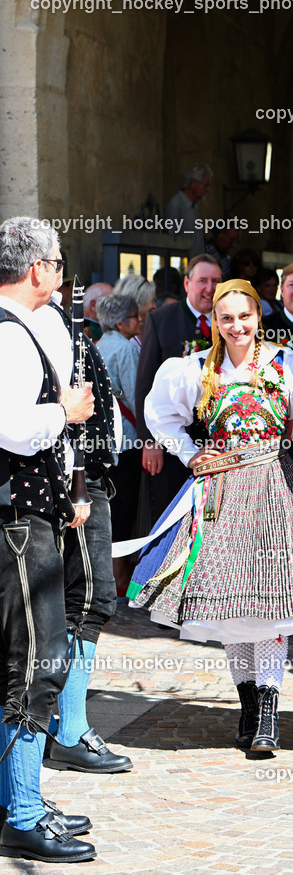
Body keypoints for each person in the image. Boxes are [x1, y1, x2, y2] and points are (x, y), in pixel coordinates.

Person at [127, 280, 293, 752]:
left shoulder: (287, 366)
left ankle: (267, 715)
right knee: (231, 606)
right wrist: (188, 454)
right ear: (215, 323)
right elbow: (160, 415)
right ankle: (248, 707)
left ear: (258, 317)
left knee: (269, 603)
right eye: (227, 319)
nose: (237, 326)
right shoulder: (197, 369)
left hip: (273, 487)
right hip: (220, 492)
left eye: (245, 317)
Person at [0, 217, 97, 861]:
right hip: (17, 523)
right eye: (59, 264)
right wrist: (67, 412)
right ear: (38, 270)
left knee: (27, 661)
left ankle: (18, 799)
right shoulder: (9, 336)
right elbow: (9, 426)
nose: (62, 275)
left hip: (30, 516)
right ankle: (24, 811)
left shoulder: (20, 330)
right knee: (38, 662)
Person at [33, 280, 129, 777]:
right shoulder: (43, 332)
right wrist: (79, 486)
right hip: (71, 481)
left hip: (82, 477)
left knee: (83, 602)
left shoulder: (62, 330)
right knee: (86, 601)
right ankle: (68, 732)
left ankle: (65, 729)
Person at [135, 254, 222, 524]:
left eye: (216, 281)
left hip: (219, 439)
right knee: (170, 513)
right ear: (187, 283)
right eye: (202, 281)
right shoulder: (161, 320)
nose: (209, 288)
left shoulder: (230, 319)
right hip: (173, 442)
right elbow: (145, 382)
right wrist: (149, 440)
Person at [96, 293, 143, 597]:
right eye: (136, 317)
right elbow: (137, 395)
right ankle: (119, 578)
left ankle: (107, 577)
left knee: (110, 508)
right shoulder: (125, 348)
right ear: (122, 322)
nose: (140, 321)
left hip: (105, 440)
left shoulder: (98, 344)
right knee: (124, 510)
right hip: (127, 440)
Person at [163, 163, 213, 258]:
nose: (208, 190)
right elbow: (170, 240)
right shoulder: (176, 204)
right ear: (194, 184)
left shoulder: (192, 206)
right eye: (205, 185)